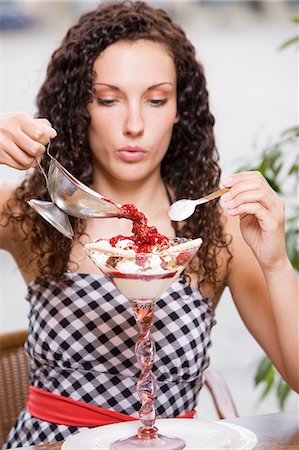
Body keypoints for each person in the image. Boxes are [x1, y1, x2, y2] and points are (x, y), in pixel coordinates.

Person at [0, 1, 298, 448]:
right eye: (108, 99)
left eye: (156, 100)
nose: (135, 125)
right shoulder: (32, 213)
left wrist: (276, 262)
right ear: (80, 107)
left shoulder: (216, 229)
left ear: (181, 108)